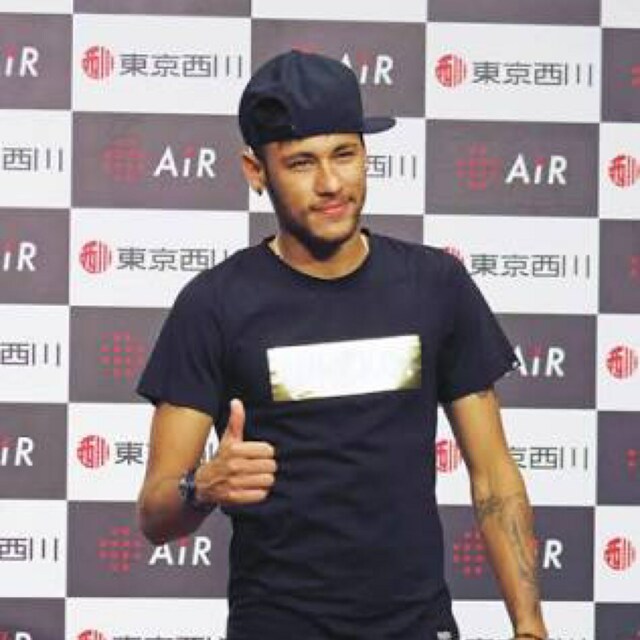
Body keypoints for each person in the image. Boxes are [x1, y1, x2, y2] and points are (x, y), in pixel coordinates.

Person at [136, 50, 548, 640]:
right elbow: (155, 515)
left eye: (344, 154)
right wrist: (201, 487)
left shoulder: (435, 285)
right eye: (301, 162)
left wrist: (529, 627)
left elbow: (494, 476)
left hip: (417, 627)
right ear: (256, 170)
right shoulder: (213, 305)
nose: (330, 184)